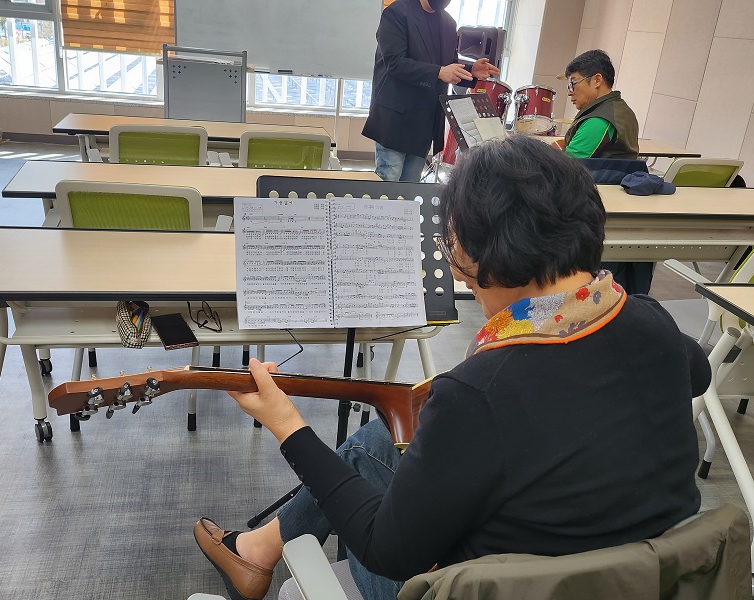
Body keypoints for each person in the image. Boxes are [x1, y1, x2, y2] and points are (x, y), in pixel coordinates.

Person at [194, 136, 710, 600]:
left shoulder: (478, 391)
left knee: (368, 469)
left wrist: (287, 424)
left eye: (455, 250)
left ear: (493, 252)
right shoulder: (652, 323)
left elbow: (386, 551)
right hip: (648, 576)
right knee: (378, 442)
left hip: (500, 586)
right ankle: (258, 550)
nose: (458, 272)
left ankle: (258, 553)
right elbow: (698, 374)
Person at [361, 0, 499, 182]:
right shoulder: (396, 13)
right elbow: (395, 63)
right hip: (395, 117)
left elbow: (448, 64)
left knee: (411, 187)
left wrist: (471, 70)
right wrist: (439, 72)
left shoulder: (448, 22)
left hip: (425, 120)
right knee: (389, 182)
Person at [559, 49, 639, 159]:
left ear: (597, 80)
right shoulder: (620, 109)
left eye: (573, 83)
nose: (569, 92)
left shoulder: (599, 120)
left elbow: (566, 165)